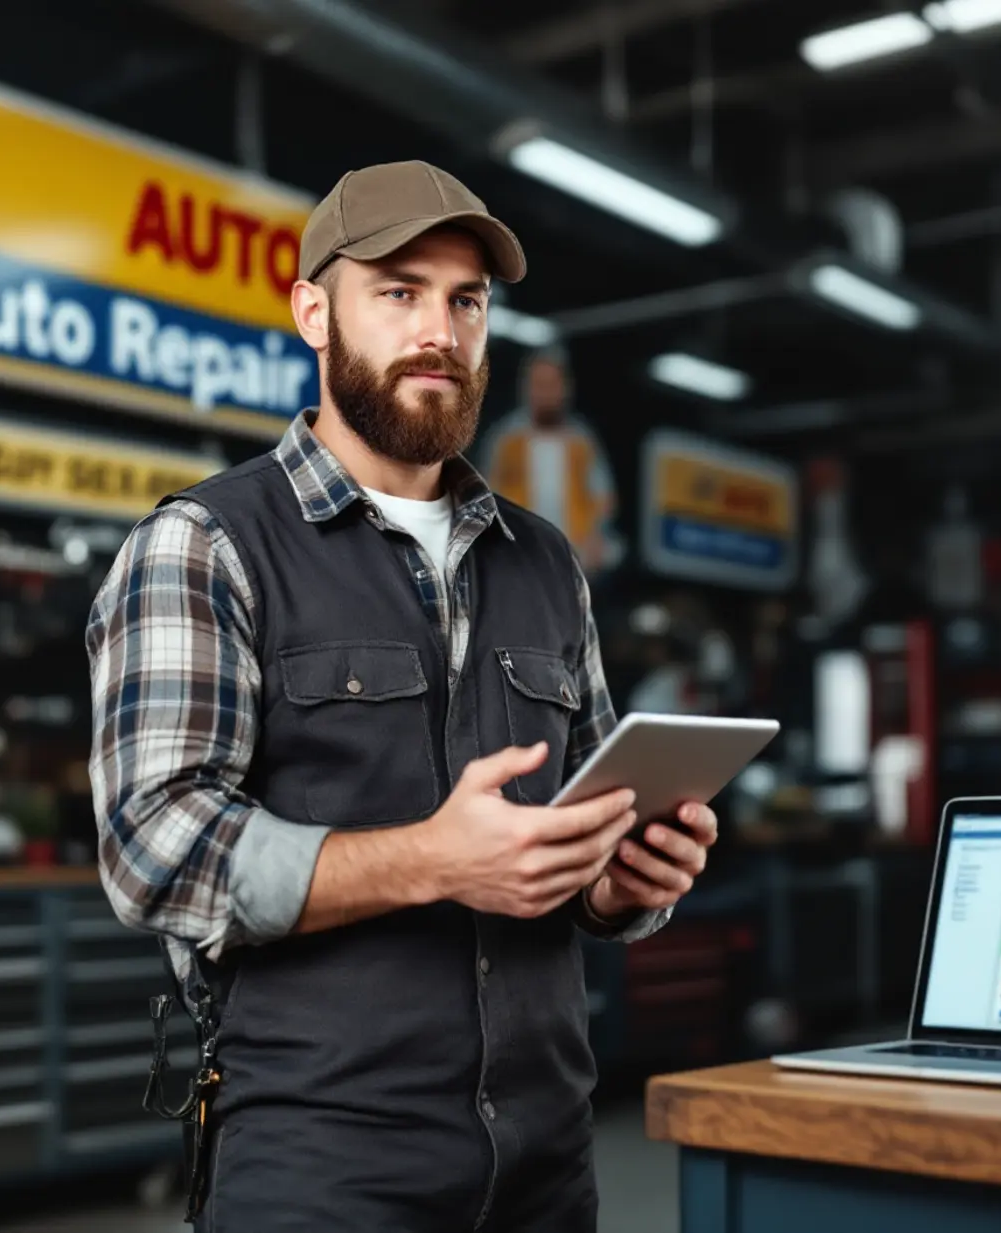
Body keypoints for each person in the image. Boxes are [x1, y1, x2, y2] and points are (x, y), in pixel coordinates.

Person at [86, 160, 719, 1232]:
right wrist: (432, 857)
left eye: (465, 300)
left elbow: (582, 838)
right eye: (399, 291)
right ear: (313, 313)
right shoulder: (203, 547)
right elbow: (154, 849)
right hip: (322, 1166)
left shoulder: (546, 566)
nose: (439, 328)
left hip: (544, 1159)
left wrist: (620, 884)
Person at [482, 346, 623, 576]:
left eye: (552, 384)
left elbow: (603, 497)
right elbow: (487, 493)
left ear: (566, 388)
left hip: (573, 555)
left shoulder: (582, 441)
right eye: (538, 384)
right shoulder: (507, 439)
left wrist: (595, 535)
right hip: (520, 554)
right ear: (525, 388)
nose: (545, 392)